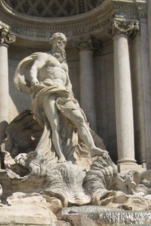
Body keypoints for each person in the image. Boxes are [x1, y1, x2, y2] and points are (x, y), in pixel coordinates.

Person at [14, 33, 106, 164]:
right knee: (55, 125)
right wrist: (34, 80)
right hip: (49, 91)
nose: (60, 45)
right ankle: (60, 156)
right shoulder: (45, 56)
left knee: (80, 119)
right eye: (57, 42)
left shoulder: (64, 65)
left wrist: (72, 98)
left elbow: (68, 84)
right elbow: (34, 68)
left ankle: (91, 148)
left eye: (62, 42)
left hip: (64, 93)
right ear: (52, 43)